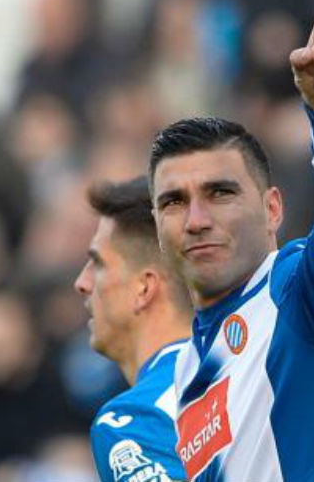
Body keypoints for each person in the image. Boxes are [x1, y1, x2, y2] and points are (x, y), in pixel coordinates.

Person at [148, 0, 314, 481]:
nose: (197, 219)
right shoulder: (184, 374)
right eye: (174, 202)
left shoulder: (296, 293)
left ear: (272, 210)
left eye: (221, 193)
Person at [74, 176, 192, 482]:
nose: (82, 283)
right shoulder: (253, 372)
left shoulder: (137, 420)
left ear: (144, 287)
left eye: (97, 263)